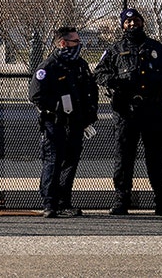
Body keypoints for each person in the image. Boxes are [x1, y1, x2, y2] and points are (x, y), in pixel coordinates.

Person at [93, 8, 162, 216]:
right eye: (127, 22)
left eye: (135, 20)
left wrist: (158, 79)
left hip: (153, 111)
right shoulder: (115, 50)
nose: (132, 24)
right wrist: (114, 82)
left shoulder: (157, 49)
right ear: (122, 26)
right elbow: (99, 73)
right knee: (124, 157)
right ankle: (121, 200)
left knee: (157, 158)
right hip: (126, 113)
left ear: (142, 23)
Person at [29, 26, 99, 217]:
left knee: (70, 161)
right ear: (62, 43)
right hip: (55, 122)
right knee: (53, 160)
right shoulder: (48, 67)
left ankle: (63, 202)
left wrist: (90, 113)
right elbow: (36, 95)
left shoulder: (80, 65)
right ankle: (49, 203)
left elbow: (91, 90)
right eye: (75, 41)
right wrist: (58, 106)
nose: (79, 45)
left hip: (76, 123)